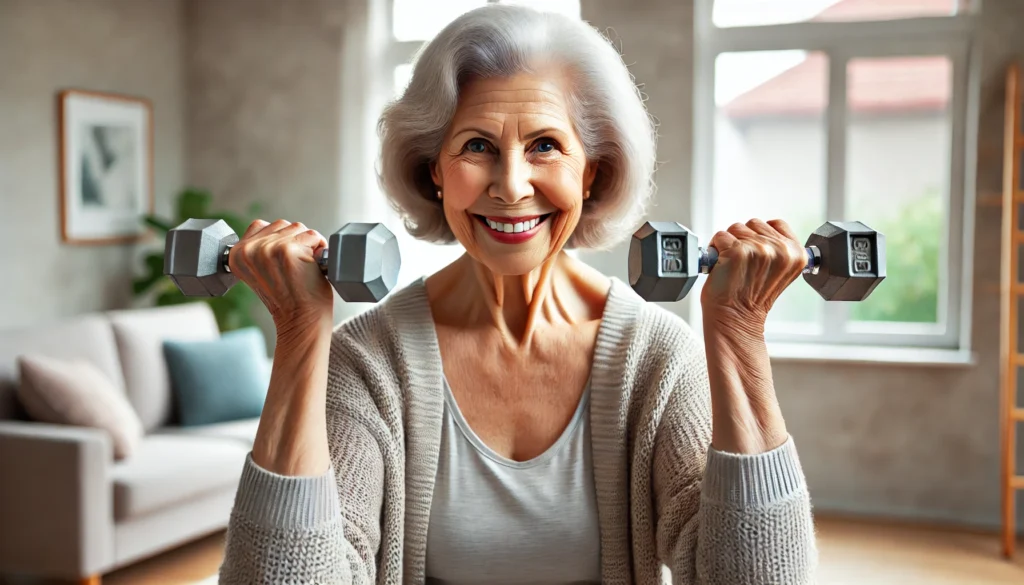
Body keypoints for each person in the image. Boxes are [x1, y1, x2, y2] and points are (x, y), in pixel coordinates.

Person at [218, 4, 817, 584]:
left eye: (545, 146)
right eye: (477, 146)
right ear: (434, 168)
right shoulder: (370, 362)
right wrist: (299, 336)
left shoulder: (658, 361)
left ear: (592, 170)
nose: (509, 186)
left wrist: (739, 340)